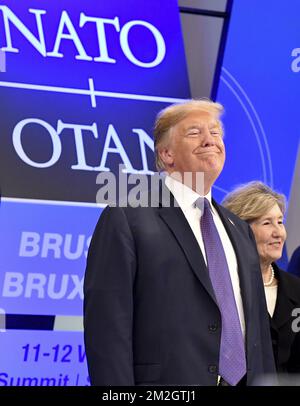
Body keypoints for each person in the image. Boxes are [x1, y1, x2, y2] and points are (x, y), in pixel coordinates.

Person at [84, 99, 276, 386]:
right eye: (194, 133)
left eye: (215, 132)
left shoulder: (238, 229)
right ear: (167, 154)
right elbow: (108, 329)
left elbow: (258, 331)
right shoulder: (128, 217)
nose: (210, 140)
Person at [222, 181, 300, 377]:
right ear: (239, 229)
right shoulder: (220, 287)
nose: (278, 233)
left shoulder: (296, 289)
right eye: (267, 223)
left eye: (280, 222)